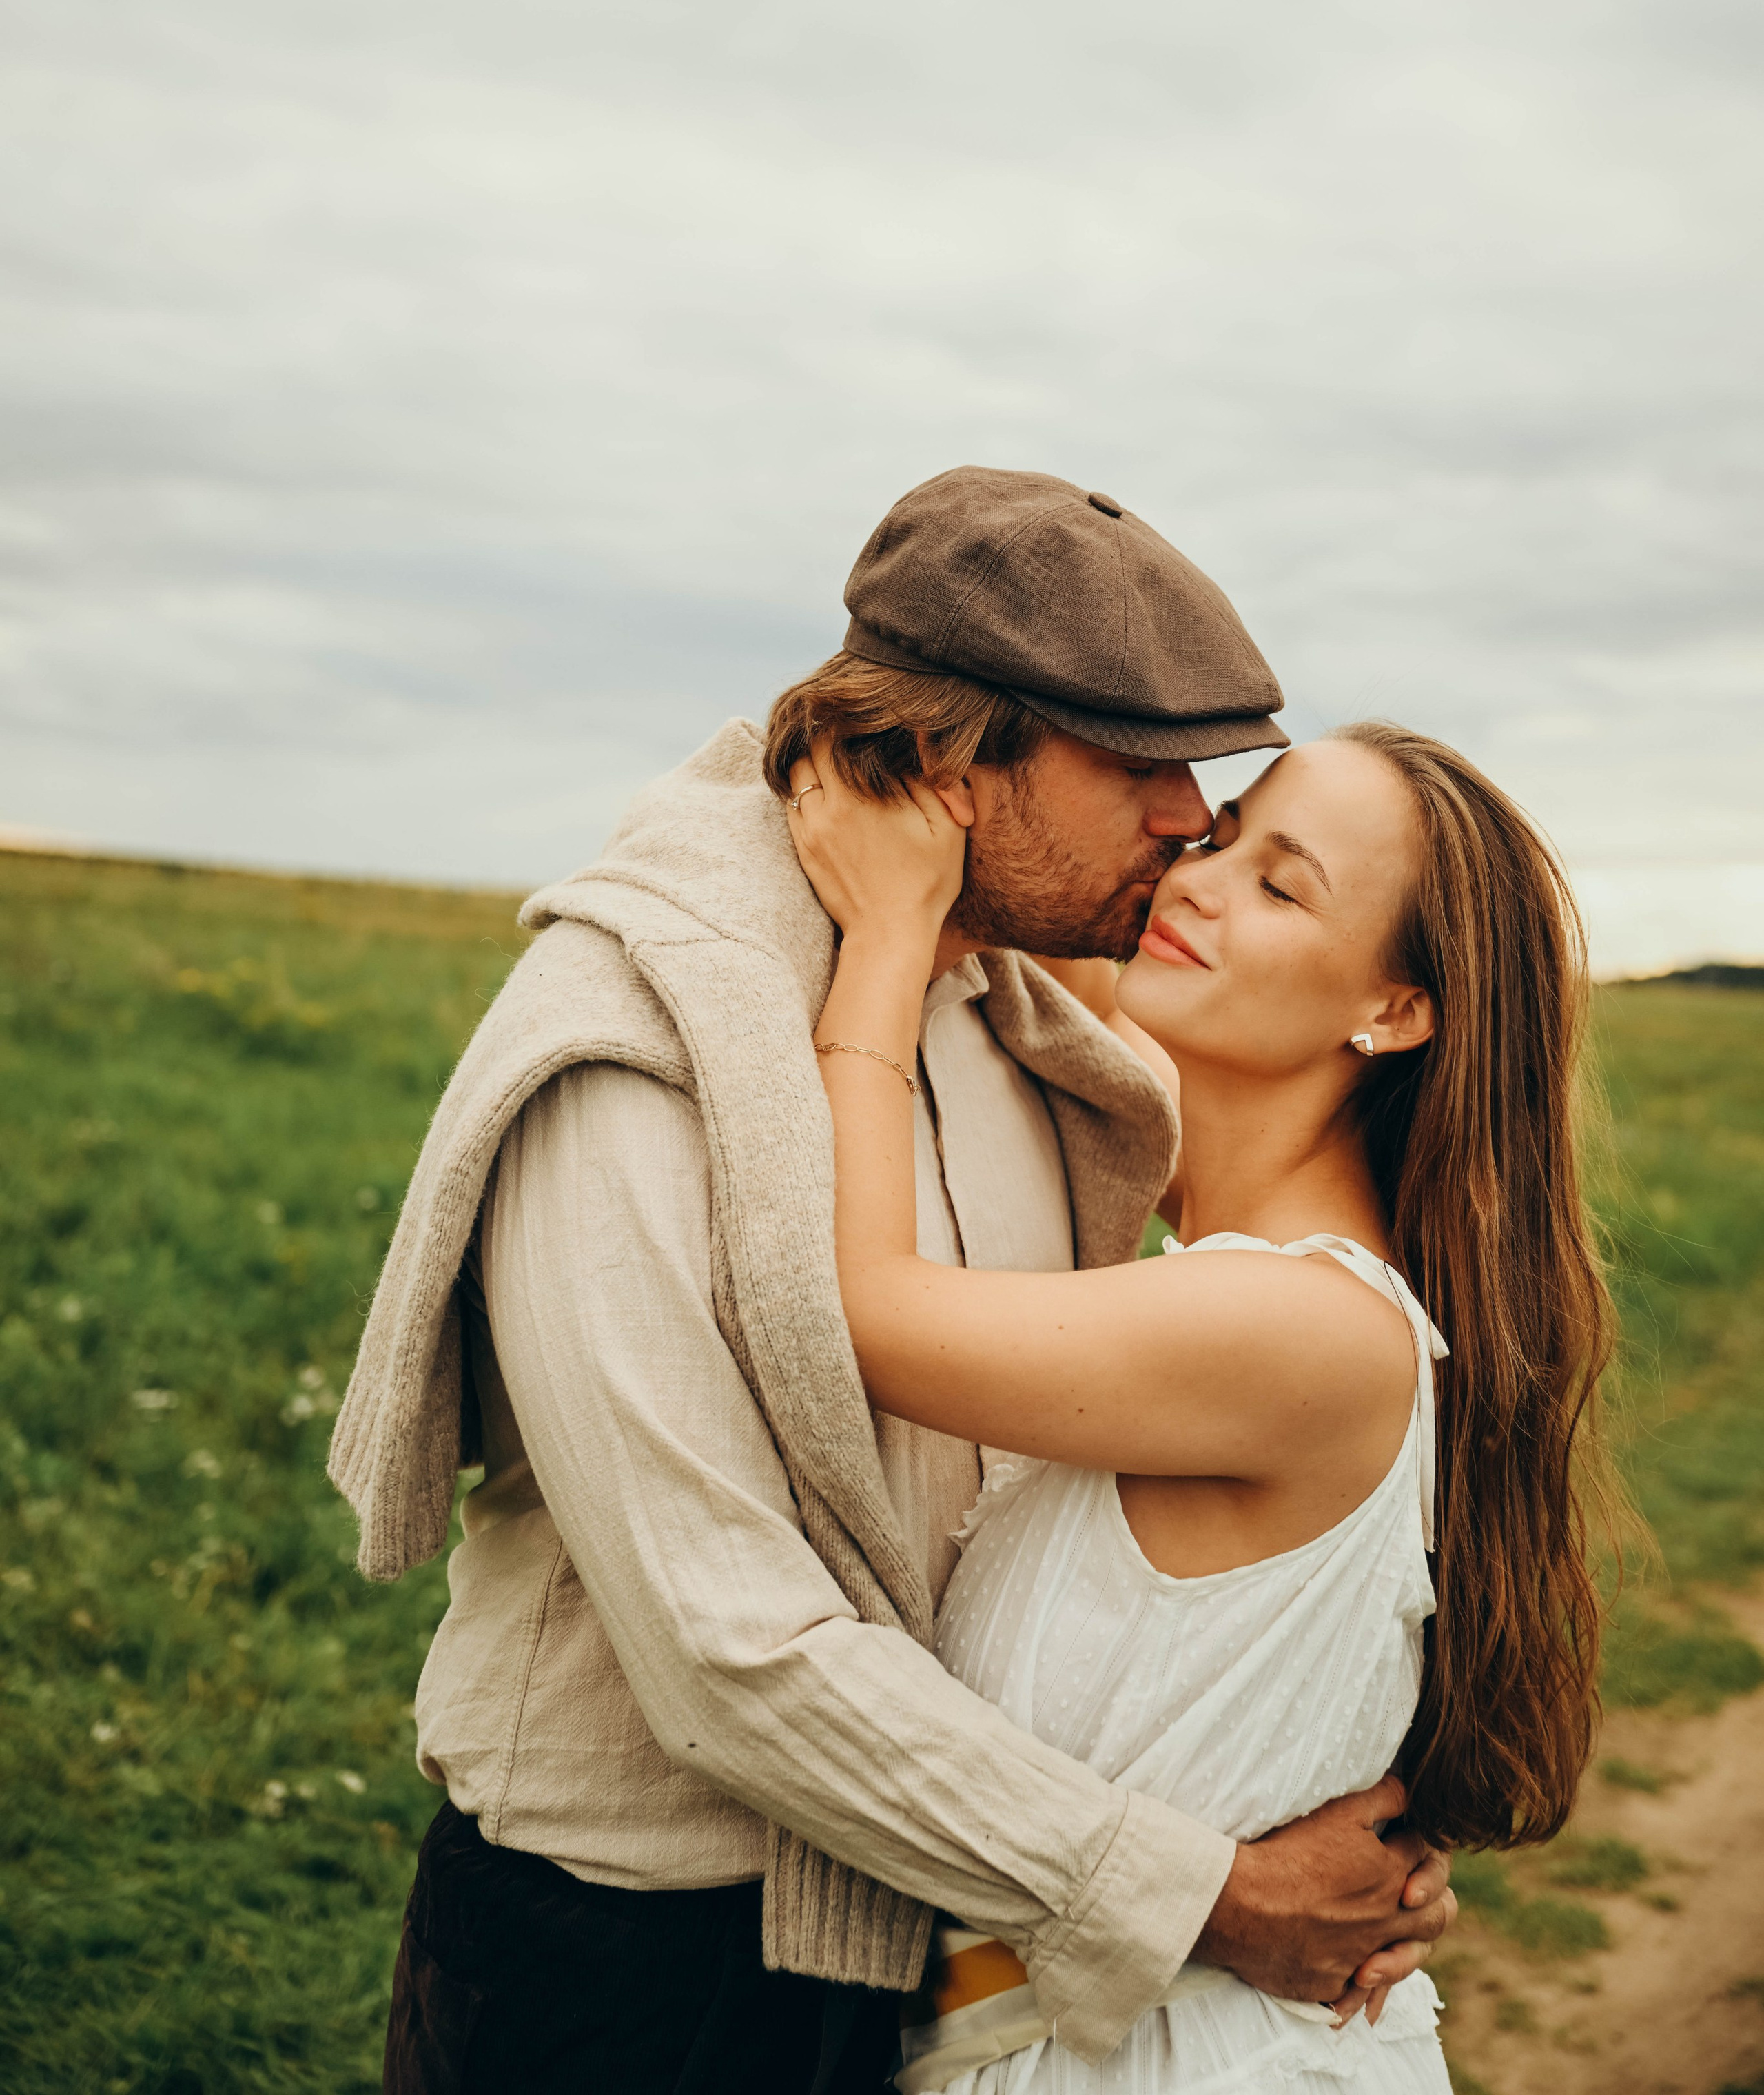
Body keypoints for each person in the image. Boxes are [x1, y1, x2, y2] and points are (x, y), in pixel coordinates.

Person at [330, 467, 1455, 2095]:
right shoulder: (632, 1055)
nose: (1186, 821)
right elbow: (733, 1656)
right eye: (1136, 766)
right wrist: (1196, 1893)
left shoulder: (1008, 1012)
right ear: (941, 759)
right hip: (635, 1978)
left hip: (931, 1940)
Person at [784, 715, 1615, 2092]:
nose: (1197, 882)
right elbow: (1058, 935)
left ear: (1395, 1012)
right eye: (1222, 837)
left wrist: (884, 931)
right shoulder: (1238, 1276)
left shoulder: (1293, 1326)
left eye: (1282, 886)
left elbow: (861, 1312)